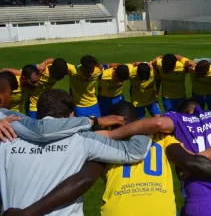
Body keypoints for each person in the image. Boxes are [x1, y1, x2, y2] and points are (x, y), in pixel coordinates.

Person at [5, 101, 211, 216]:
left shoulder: (104, 144)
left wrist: (30, 211)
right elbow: (193, 163)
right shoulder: (161, 139)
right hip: (159, 211)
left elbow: (83, 181)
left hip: (118, 212)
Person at [0, 88, 151, 215]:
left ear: (38, 112)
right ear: (72, 114)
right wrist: (141, 127)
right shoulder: (83, 140)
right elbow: (135, 151)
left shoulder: (6, 137)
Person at [1, 58, 71, 117]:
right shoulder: (13, 83)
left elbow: (55, 61)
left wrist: (44, 62)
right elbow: (5, 70)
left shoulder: (32, 82)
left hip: (23, 112)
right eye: (34, 82)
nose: (37, 84)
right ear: (24, 78)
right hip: (28, 108)